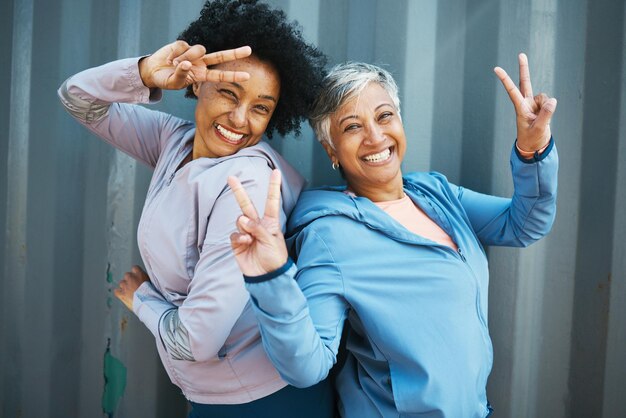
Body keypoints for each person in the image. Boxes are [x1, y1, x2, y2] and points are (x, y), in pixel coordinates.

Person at [227, 54, 558, 417]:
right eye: (352, 127)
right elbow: (307, 366)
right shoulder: (330, 235)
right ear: (331, 149)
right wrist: (271, 277)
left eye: (384, 116)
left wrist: (533, 149)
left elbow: (522, 224)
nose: (375, 136)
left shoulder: (436, 193)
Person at [58, 1, 332, 417]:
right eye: (228, 92)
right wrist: (146, 71)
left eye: (261, 107)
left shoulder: (248, 186)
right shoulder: (176, 140)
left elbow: (196, 341)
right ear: (196, 83)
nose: (240, 119)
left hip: (261, 400)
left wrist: (143, 298)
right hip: (214, 393)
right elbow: (77, 98)